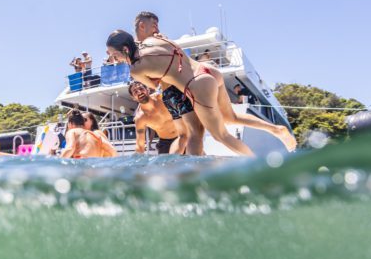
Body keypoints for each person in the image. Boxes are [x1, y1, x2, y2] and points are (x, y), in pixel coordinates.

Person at [106, 29, 297, 156]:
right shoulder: (152, 40)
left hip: (196, 85)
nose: (116, 60)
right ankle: (276, 129)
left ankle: (257, 166)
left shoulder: (135, 69)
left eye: (115, 55)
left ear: (125, 49)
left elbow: (154, 85)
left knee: (220, 135)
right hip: (207, 70)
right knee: (230, 117)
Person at [134, 11, 204, 155]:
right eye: (154, 25)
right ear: (142, 26)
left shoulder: (153, 44)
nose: (157, 29)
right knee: (193, 133)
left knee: (187, 136)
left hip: (169, 94)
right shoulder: (141, 116)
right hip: (174, 92)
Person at [128, 81, 183, 155]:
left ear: (147, 89)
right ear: (133, 98)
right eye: (135, 92)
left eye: (141, 88)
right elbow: (140, 145)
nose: (139, 92)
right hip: (166, 144)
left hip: (183, 135)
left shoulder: (161, 97)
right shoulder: (140, 118)